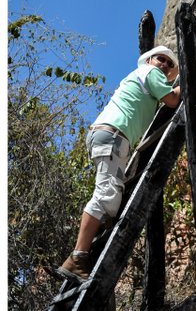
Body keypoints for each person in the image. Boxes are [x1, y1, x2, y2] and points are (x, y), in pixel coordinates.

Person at [57, 46, 181, 281]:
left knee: (111, 199)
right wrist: (187, 80)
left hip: (110, 136)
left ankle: (82, 254)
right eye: (160, 59)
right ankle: (78, 257)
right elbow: (173, 100)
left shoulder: (143, 76)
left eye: (168, 63)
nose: (164, 64)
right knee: (105, 196)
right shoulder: (150, 72)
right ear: (150, 60)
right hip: (114, 136)